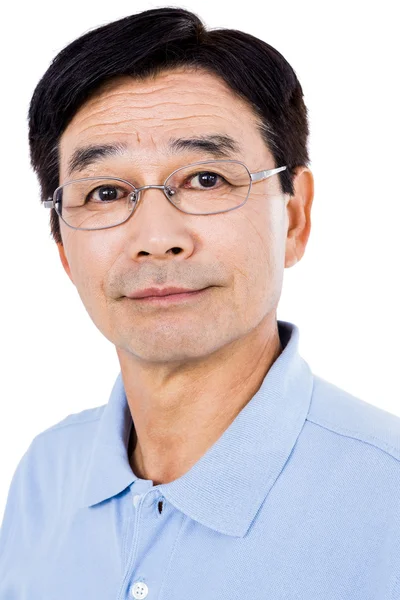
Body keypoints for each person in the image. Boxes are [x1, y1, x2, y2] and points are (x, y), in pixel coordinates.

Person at [0, 7, 399, 599]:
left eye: (207, 178)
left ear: (294, 217)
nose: (157, 236)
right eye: (106, 192)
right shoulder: (44, 474)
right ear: (63, 245)